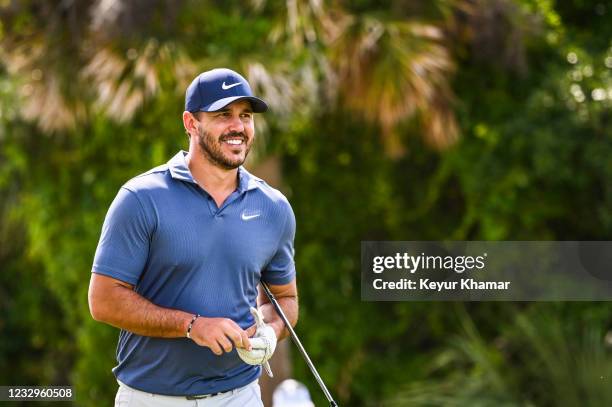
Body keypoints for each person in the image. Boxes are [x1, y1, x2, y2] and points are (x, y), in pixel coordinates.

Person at [88, 68, 298, 406]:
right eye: (222, 115)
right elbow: (103, 300)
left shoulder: (273, 207)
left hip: (240, 396)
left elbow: (284, 299)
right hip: (150, 398)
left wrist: (270, 334)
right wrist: (192, 326)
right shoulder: (141, 198)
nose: (238, 127)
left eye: (245, 115)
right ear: (191, 123)